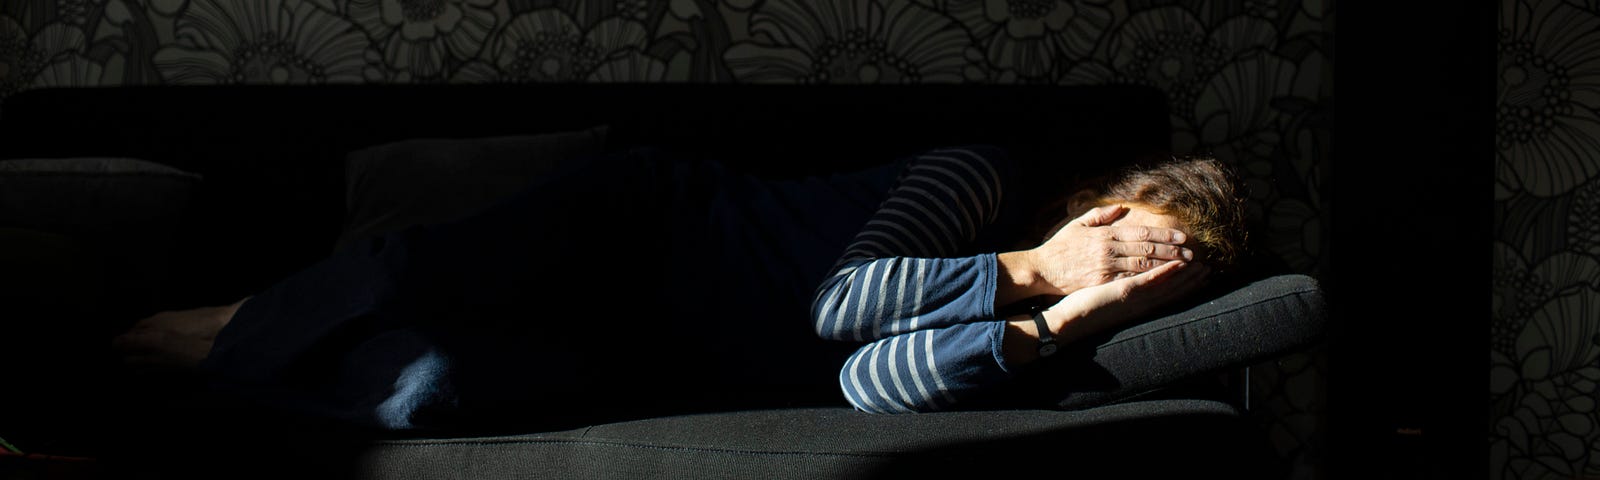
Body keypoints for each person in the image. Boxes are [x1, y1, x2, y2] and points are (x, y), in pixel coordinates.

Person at [111, 144, 1246, 433]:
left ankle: (195, 371)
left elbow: (870, 385)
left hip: (655, 350)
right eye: (1130, 243)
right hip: (648, 235)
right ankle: (189, 331)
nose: (1124, 273)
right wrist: (1036, 267)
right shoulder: (975, 178)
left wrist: (1056, 323)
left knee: (429, 395)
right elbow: (839, 306)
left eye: (1153, 281)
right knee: (421, 272)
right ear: (1100, 206)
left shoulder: (1043, 334)